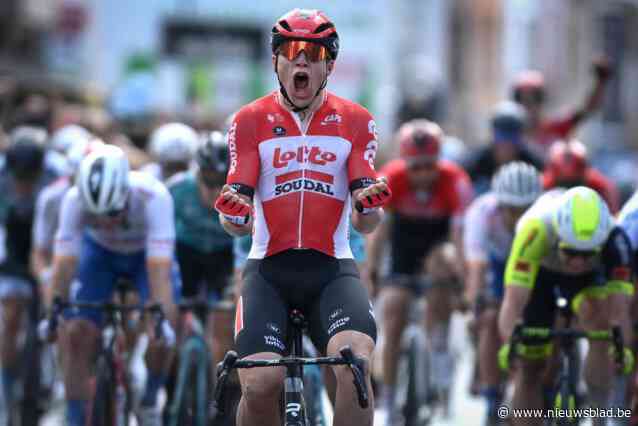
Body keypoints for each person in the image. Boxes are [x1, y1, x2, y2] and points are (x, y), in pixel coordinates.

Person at [213, 9, 391, 426]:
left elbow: (367, 220)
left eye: (314, 53)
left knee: (355, 367)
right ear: (276, 60)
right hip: (268, 272)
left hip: (331, 270)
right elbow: (234, 214)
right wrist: (235, 218)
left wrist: (368, 209)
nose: (302, 61)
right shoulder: (249, 120)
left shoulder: (356, 120)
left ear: (329, 64)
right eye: (291, 51)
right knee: (258, 384)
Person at [49, 145, 177, 426]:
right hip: (100, 255)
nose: (107, 221)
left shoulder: (154, 196)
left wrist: (161, 317)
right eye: (97, 216)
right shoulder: (73, 200)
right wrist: (54, 310)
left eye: (113, 212)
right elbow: (64, 263)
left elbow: (159, 270)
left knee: (163, 327)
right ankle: (74, 418)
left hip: (145, 255)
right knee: (76, 334)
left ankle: (150, 399)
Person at [366, 119, 473, 423]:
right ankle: (387, 394)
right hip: (403, 249)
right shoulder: (390, 178)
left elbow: (460, 238)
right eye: (416, 166)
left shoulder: (455, 180)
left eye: (429, 166)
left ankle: (438, 348)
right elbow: (377, 233)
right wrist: (373, 274)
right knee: (393, 312)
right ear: (404, 161)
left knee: (441, 267)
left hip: (438, 247)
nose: (423, 174)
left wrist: (462, 284)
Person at [498, 187, 634, 426]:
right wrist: (510, 343)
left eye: (587, 254)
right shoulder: (535, 229)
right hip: (541, 277)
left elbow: (620, 311)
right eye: (570, 252)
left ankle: (599, 415)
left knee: (601, 326)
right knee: (530, 366)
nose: (578, 261)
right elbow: (514, 300)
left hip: (589, 283)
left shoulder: (616, 240)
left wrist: (622, 348)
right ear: (558, 238)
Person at [463, 162, 542, 425]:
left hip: (537, 267)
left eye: (525, 209)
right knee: (488, 319)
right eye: (512, 209)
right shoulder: (481, 213)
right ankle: (492, 395)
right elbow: (477, 266)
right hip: (498, 267)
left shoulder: (544, 215)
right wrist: (476, 305)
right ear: (500, 203)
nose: (519, 217)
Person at [167, 130, 235, 376]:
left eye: (222, 180)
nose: (215, 189)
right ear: (197, 173)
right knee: (170, 314)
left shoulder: (241, 193)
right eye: (208, 179)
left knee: (226, 317)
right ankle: (170, 372)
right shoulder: (176, 189)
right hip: (187, 255)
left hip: (222, 257)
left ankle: (223, 383)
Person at [0, 135, 56, 417]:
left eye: (29, 178)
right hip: (13, 251)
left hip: (49, 248)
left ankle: (53, 379)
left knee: (55, 309)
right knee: (10, 315)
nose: (24, 185)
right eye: (18, 178)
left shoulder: (55, 176)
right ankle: (6, 385)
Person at [511, 58, 612, 148]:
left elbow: (586, 110)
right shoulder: (508, 136)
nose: (529, 106)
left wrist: (600, 83)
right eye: (522, 100)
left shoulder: (554, 129)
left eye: (535, 98)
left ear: (541, 101)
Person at [461, 100, 544, 195]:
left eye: (512, 137)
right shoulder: (473, 163)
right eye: (502, 135)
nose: (506, 144)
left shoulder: (533, 164)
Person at [542, 138, 620, 213]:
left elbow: (611, 212)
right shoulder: (546, 184)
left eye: (574, 183)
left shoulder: (600, 185)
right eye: (565, 183)